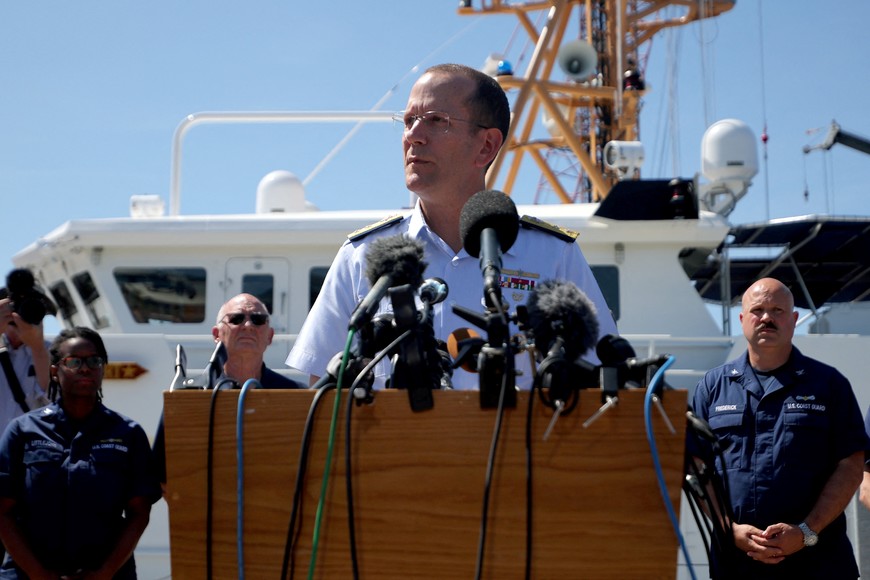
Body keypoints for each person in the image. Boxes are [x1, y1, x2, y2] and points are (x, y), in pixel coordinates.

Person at [287, 63, 617, 390]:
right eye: (408, 121)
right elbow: (323, 392)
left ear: (486, 146)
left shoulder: (554, 256)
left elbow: (601, 380)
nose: (413, 135)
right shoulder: (362, 256)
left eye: (435, 121)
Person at [690, 278, 866, 579]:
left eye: (777, 310)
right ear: (742, 320)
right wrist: (728, 528)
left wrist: (806, 531)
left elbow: (851, 464)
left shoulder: (829, 385)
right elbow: (696, 466)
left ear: (794, 319)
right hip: (738, 564)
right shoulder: (711, 388)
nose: (767, 318)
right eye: (757, 310)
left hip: (819, 563)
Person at [0, 327, 161, 579]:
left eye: (94, 360)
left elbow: (139, 512)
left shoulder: (128, 433)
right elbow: (3, 511)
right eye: (73, 361)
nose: (85, 368)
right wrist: (39, 574)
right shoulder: (22, 430)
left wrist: (104, 572)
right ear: (55, 371)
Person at [153, 293, 301, 488]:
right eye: (237, 319)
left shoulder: (296, 396)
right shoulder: (188, 397)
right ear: (216, 334)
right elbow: (162, 476)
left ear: (270, 336)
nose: (248, 326)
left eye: (258, 320)